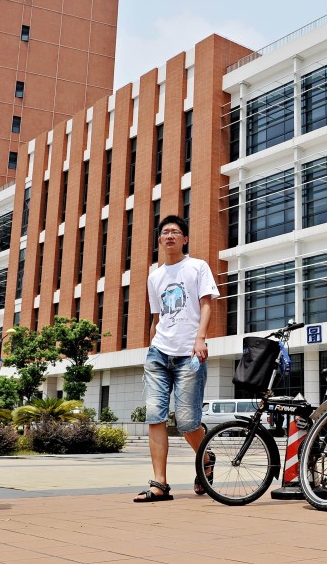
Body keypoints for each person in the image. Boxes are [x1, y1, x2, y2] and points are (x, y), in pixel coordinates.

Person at [134, 214, 219, 502]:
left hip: (188, 354)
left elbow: (207, 304)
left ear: (184, 239)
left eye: (175, 232)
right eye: (165, 232)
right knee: (155, 416)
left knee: (186, 422)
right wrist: (149, 346)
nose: (169, 236)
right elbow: (157, 317)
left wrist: (200, 338)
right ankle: (160, 484)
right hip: (159, 353)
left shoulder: (197, 267)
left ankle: (205, 458)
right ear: (159, 241)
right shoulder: (154, 277)